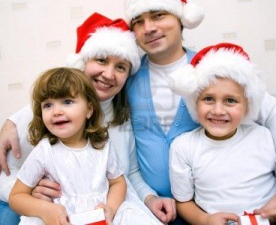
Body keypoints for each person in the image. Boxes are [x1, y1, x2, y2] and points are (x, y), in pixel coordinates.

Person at [123, 0, 276, 224]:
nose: (149, 28)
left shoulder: (216, 68)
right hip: (150, 213)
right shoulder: (125, 78)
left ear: (181, 16)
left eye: (159, 15)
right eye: (138, 22)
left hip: (212, 213)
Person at [0, 13, 163, 225]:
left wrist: (149, 198)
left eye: (120, 67)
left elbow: (126, 175)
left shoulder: (118, 123)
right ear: (83, 61)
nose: (108, 74)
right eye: (101, 60)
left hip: (101, 211)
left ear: (90, 112)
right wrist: (35, 198)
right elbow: (12, 180)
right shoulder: (44, 117)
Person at [168, 43, 276, 225]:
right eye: (208, 99)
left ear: (247, 105)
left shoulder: (264, 136)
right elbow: (183, 201)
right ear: (195, 102)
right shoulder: (183, 147)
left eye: (230, 100)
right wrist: (205, 220)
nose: (218, 110)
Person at [9, 67, 127, 225]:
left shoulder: (102, 145)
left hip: (97, 220)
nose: (56, 111)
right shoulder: (44, 151)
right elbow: (16, 197)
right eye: (48, 105)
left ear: (89, 110)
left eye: (67, 102)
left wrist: (110, 208)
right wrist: (44, 210)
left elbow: (118, 182)